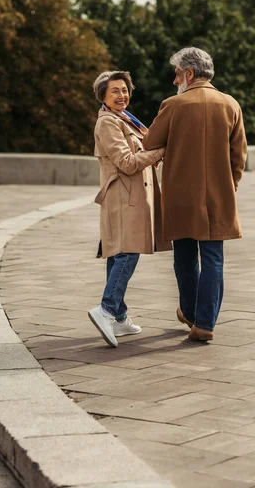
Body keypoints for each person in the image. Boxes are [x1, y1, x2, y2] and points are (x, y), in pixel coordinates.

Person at [143, 47, 247, 341]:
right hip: (218, 195)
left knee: (185, 256)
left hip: (180, 195)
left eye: (176, 75)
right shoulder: (230, 104)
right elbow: (238, 155)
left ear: (189, 74)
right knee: (213, 258)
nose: (174, 82)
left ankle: (190, 312)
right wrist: (230, 184)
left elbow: (150, 141)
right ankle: (204, 324)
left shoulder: (173, 106)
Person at [88, 71, 171, 347]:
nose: (122, 95)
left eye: (124, 90)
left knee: (118, 253)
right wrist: (160, 152)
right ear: (103, 96)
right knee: (127, 253)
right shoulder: (108, 123)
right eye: (115, 91)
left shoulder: (125, 118)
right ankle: (107, 309)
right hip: (123, 197)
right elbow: (126, 162)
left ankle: (120, 318)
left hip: (129, 196)